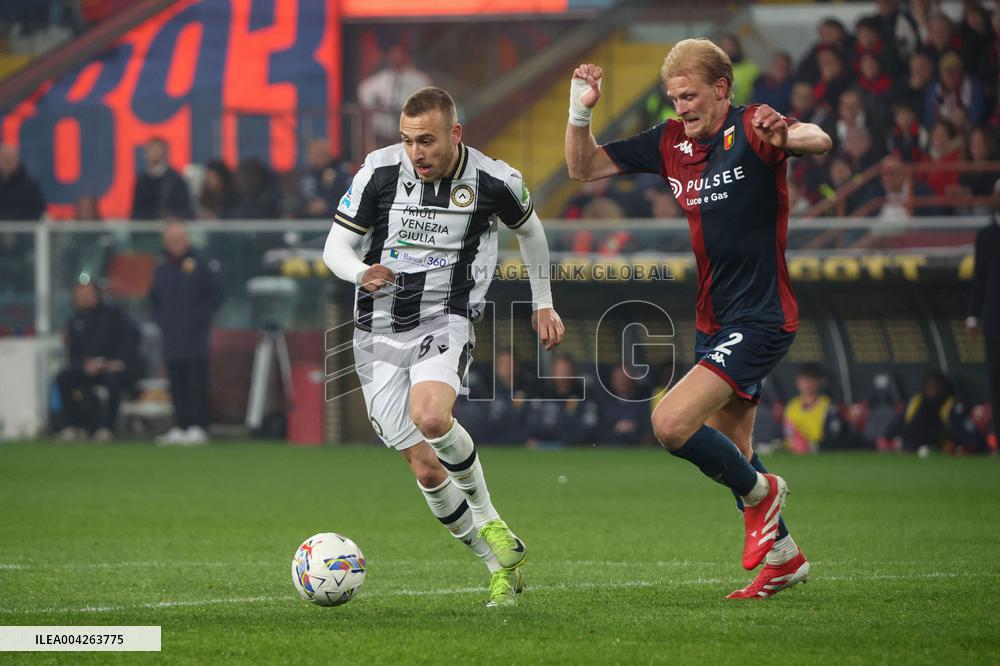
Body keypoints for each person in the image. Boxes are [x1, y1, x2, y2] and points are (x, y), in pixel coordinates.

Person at [565, 38, 832, 599]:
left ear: (721, 89)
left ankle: (764, 494)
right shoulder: (667, 142)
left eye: (689, 96)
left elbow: (819, 138)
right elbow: (582, 166)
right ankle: (783, 557)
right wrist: (580, 110)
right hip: (715, 319)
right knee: (732, 447)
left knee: (670, 424)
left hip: (762, 316)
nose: (680, 107)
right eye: (673, 97)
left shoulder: (754, 127)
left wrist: (788, 136)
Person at [323, 86, 564, 607]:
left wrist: (542, 301)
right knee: (427, 469)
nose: (417, 152)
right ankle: (497, 564)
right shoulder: (378, 172)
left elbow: (533, 233)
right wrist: (363, 271)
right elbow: (334, 247)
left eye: (427, 140)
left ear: (455, 134)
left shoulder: (494, 180)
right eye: (408, 141)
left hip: (446, 318)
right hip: (376, 332)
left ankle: (490, 519)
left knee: (432, 417)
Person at [149, 221, 224, 445]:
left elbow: (216, 294)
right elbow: (153, 298)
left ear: (186, 239)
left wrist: (200, 319)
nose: (175, 244)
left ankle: (199, 426)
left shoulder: (201, 262)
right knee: (176, 382)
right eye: (171, 240)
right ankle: (181, 425)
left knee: (196, 381)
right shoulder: (161, 265)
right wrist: (162, 321)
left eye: (179, 239)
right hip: (171, 335)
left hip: (195, 335)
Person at [56, 281, 142, 442]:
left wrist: (117, 361)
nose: (82, 298)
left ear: (96, 295)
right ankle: (72, 427)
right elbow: (72, 354)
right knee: (62, 378)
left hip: (114, 368)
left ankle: (107, 428)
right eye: (79, 295)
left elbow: (132, 338)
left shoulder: (114, 314)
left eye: (86, 294)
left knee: (112, 379)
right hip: (89, 369)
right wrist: (84, 365)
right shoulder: (75, 321)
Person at [967, 181, 1000, 453]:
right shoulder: (987, 234)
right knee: (995, 377)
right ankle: (998, 438)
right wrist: (973, 316)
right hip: (994, 317)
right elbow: (980, 278)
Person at [357, 45, 432, 152]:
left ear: (406, 57)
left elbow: (428, 96)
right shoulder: (383, 77)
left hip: (411, 128)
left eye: (399, 57)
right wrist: (376, 104)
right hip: (386, 129)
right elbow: (364, 90)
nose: (396, 60)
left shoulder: (418, 78)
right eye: (393, 57)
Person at [131, 138, 194, 220]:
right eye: (151, 149)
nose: (155, 152)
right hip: (146, 229)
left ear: (165, 152)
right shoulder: (141, 180)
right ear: (145, 154)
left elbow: (186, 211)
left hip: (171, 229)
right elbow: (136, 211)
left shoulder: (176, 179)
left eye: (158, 149)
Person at [783, 363, 834, 454]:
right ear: (798, 381)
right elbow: (789, 433)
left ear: (820, 381)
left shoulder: (827, 405)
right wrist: (795, 443)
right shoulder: (792, 406)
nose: (807, 383)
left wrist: (810, 445)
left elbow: (832, 436)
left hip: (820, 451)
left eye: (812, 379)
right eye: (804, 379)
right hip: (795, 452)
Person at [298, 138, 353, 219]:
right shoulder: (303, 175)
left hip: (336, 222)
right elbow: (296, 202)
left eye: (322, 153)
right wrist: (308, 207)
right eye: (315, 153)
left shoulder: (342, 174)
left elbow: (351, 204)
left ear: (329, 153)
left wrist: (327, 207)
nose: (319, 156)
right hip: (307, 223)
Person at [0, 143, 46, 221]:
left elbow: (38, 211)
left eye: (10, 158)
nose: (7, 162)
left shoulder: (30, 186)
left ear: (17, 160)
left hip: (24, 230)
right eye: (4, 158)